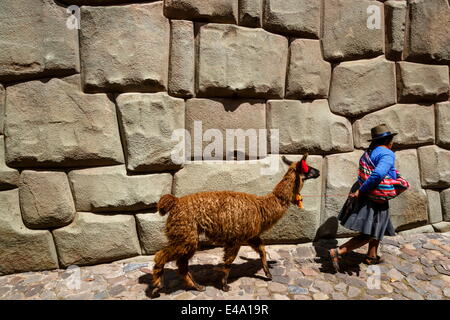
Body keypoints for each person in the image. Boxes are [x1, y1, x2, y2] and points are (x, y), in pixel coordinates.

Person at [329, 124, 399, 271]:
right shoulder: (387, 154)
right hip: (374, 196)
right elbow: (378, 174)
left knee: (378, 227)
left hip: (368, 194)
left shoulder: (370, 152)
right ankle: (338, 251)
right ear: (389, 141)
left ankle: (371, 256)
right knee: (370, 232)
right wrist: (362, 191)